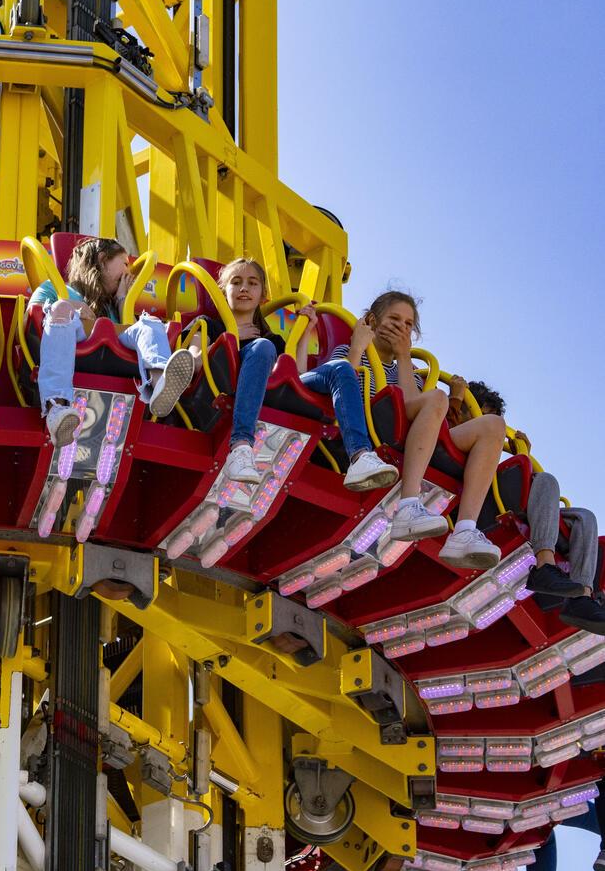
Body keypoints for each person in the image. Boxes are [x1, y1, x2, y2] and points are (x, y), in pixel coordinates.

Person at [183, 258, 398, 492]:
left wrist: (305, 332)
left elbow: (299, 376)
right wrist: (232, 337)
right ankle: (241, 446)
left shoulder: (273, 339)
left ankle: (360, 455)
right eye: (237, 282)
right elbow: (193, 359)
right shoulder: (208, 325)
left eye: (252, 283)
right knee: (262, 347)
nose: (244, 288)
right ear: (224, 291)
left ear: (263, 295)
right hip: (223, 381)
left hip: (273, 388)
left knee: (342, 368)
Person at [328, 291, 504, 570]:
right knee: (437, 398)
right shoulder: (349, 351)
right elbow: (342, 385)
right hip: (369, 424)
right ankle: (408, 503)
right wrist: (358, 346)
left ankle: (465, 529)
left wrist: (404, 356)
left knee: (493, 425)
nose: (401, 327)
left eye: (409, 324)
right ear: (373, 320)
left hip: (412, 433)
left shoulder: (406, 369)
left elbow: (411, 401)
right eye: (394, 319)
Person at [456, 381, 605, 631]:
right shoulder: (452, 428)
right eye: (481, 413)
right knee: (545, 479)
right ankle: (544, 566)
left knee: (585, 517)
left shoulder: (487, 445)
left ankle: (582, 597)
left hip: (504, 496)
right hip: (481, 498)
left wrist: (524, 457)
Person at [28, 237, 197, 446]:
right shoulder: (57, 288)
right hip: (76, 338)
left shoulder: (111, 306)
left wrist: (122, 300)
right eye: (125, 264)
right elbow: (33, 313)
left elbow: (130, 330)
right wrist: (70, 305)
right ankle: (57, 407)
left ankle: (159, 381)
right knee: (60, 308)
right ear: (102, 260)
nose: (128, 273)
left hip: (112, 350)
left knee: (150, 322)